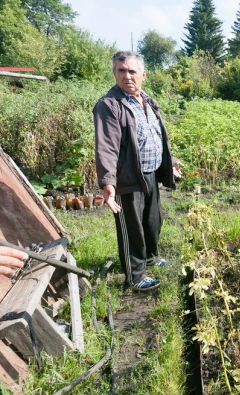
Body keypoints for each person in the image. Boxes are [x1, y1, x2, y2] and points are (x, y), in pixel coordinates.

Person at [93, 51, 183, 291]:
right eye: (121, 70)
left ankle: (151, 257)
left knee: (152, 221)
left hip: (150, 173)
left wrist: (170, 160)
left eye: (132, 71)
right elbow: (106, 146)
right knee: (131, 228)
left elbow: (154, 136)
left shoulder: (147, 100)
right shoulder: (109, 105)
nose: (127, 76)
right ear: (114, 73)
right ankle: (135, 276)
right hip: (128, 177)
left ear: (143, 74)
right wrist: (107, 182)